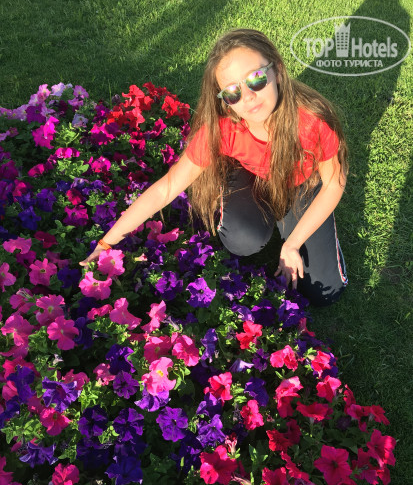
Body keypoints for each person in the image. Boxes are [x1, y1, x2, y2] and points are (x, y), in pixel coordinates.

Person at [80, 28, 348, 306]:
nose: (248, 96)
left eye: (256, 79)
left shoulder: (312, 120)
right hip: (253, 178)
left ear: (278, 70)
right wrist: (106, 244)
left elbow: (333, 184)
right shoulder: (223, 129)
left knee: (324, 291)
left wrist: (293, 243)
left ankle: (292, 222)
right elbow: (167, 188)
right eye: (232, 92)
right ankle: (267, 211)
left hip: (302, 184)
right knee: (242, 240)